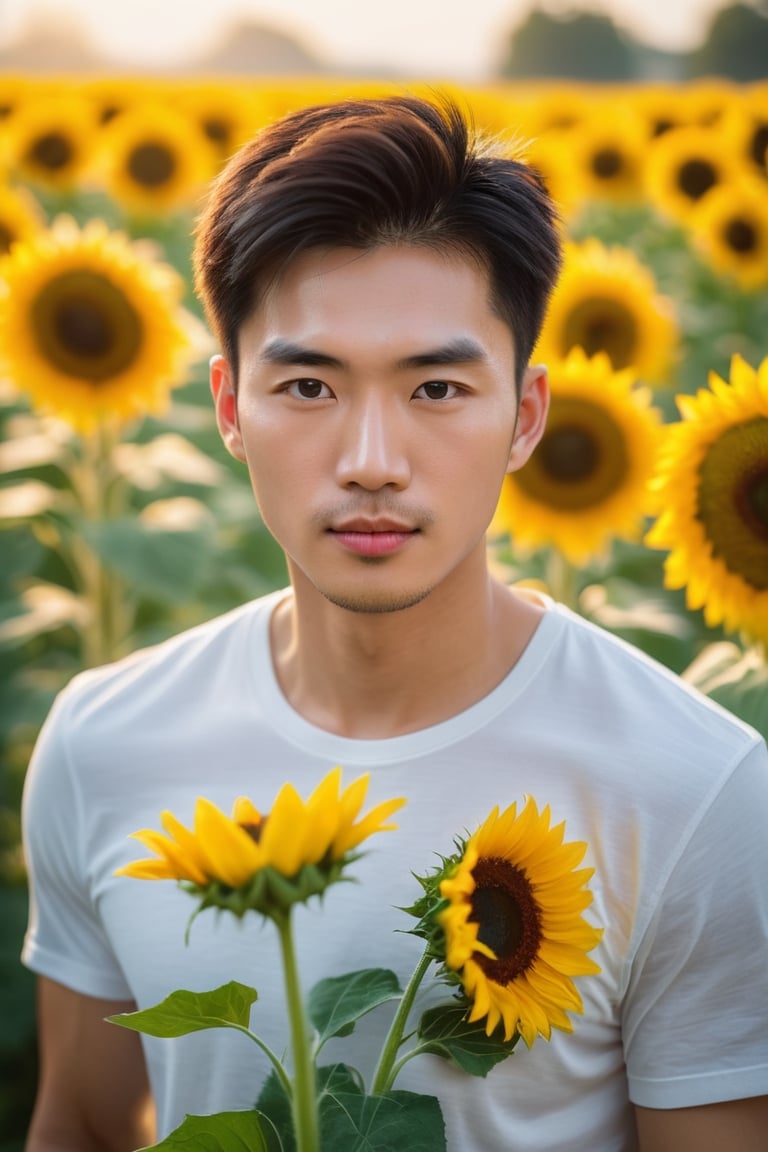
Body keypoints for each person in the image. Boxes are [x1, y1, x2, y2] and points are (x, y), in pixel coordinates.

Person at [21, 94, 768, 1152]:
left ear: (527, 415)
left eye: (438, 387)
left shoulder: (695, 793)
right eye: (311, 384)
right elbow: (88, 1126)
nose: (372, 457)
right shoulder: (104, 743)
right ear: (230, 407)